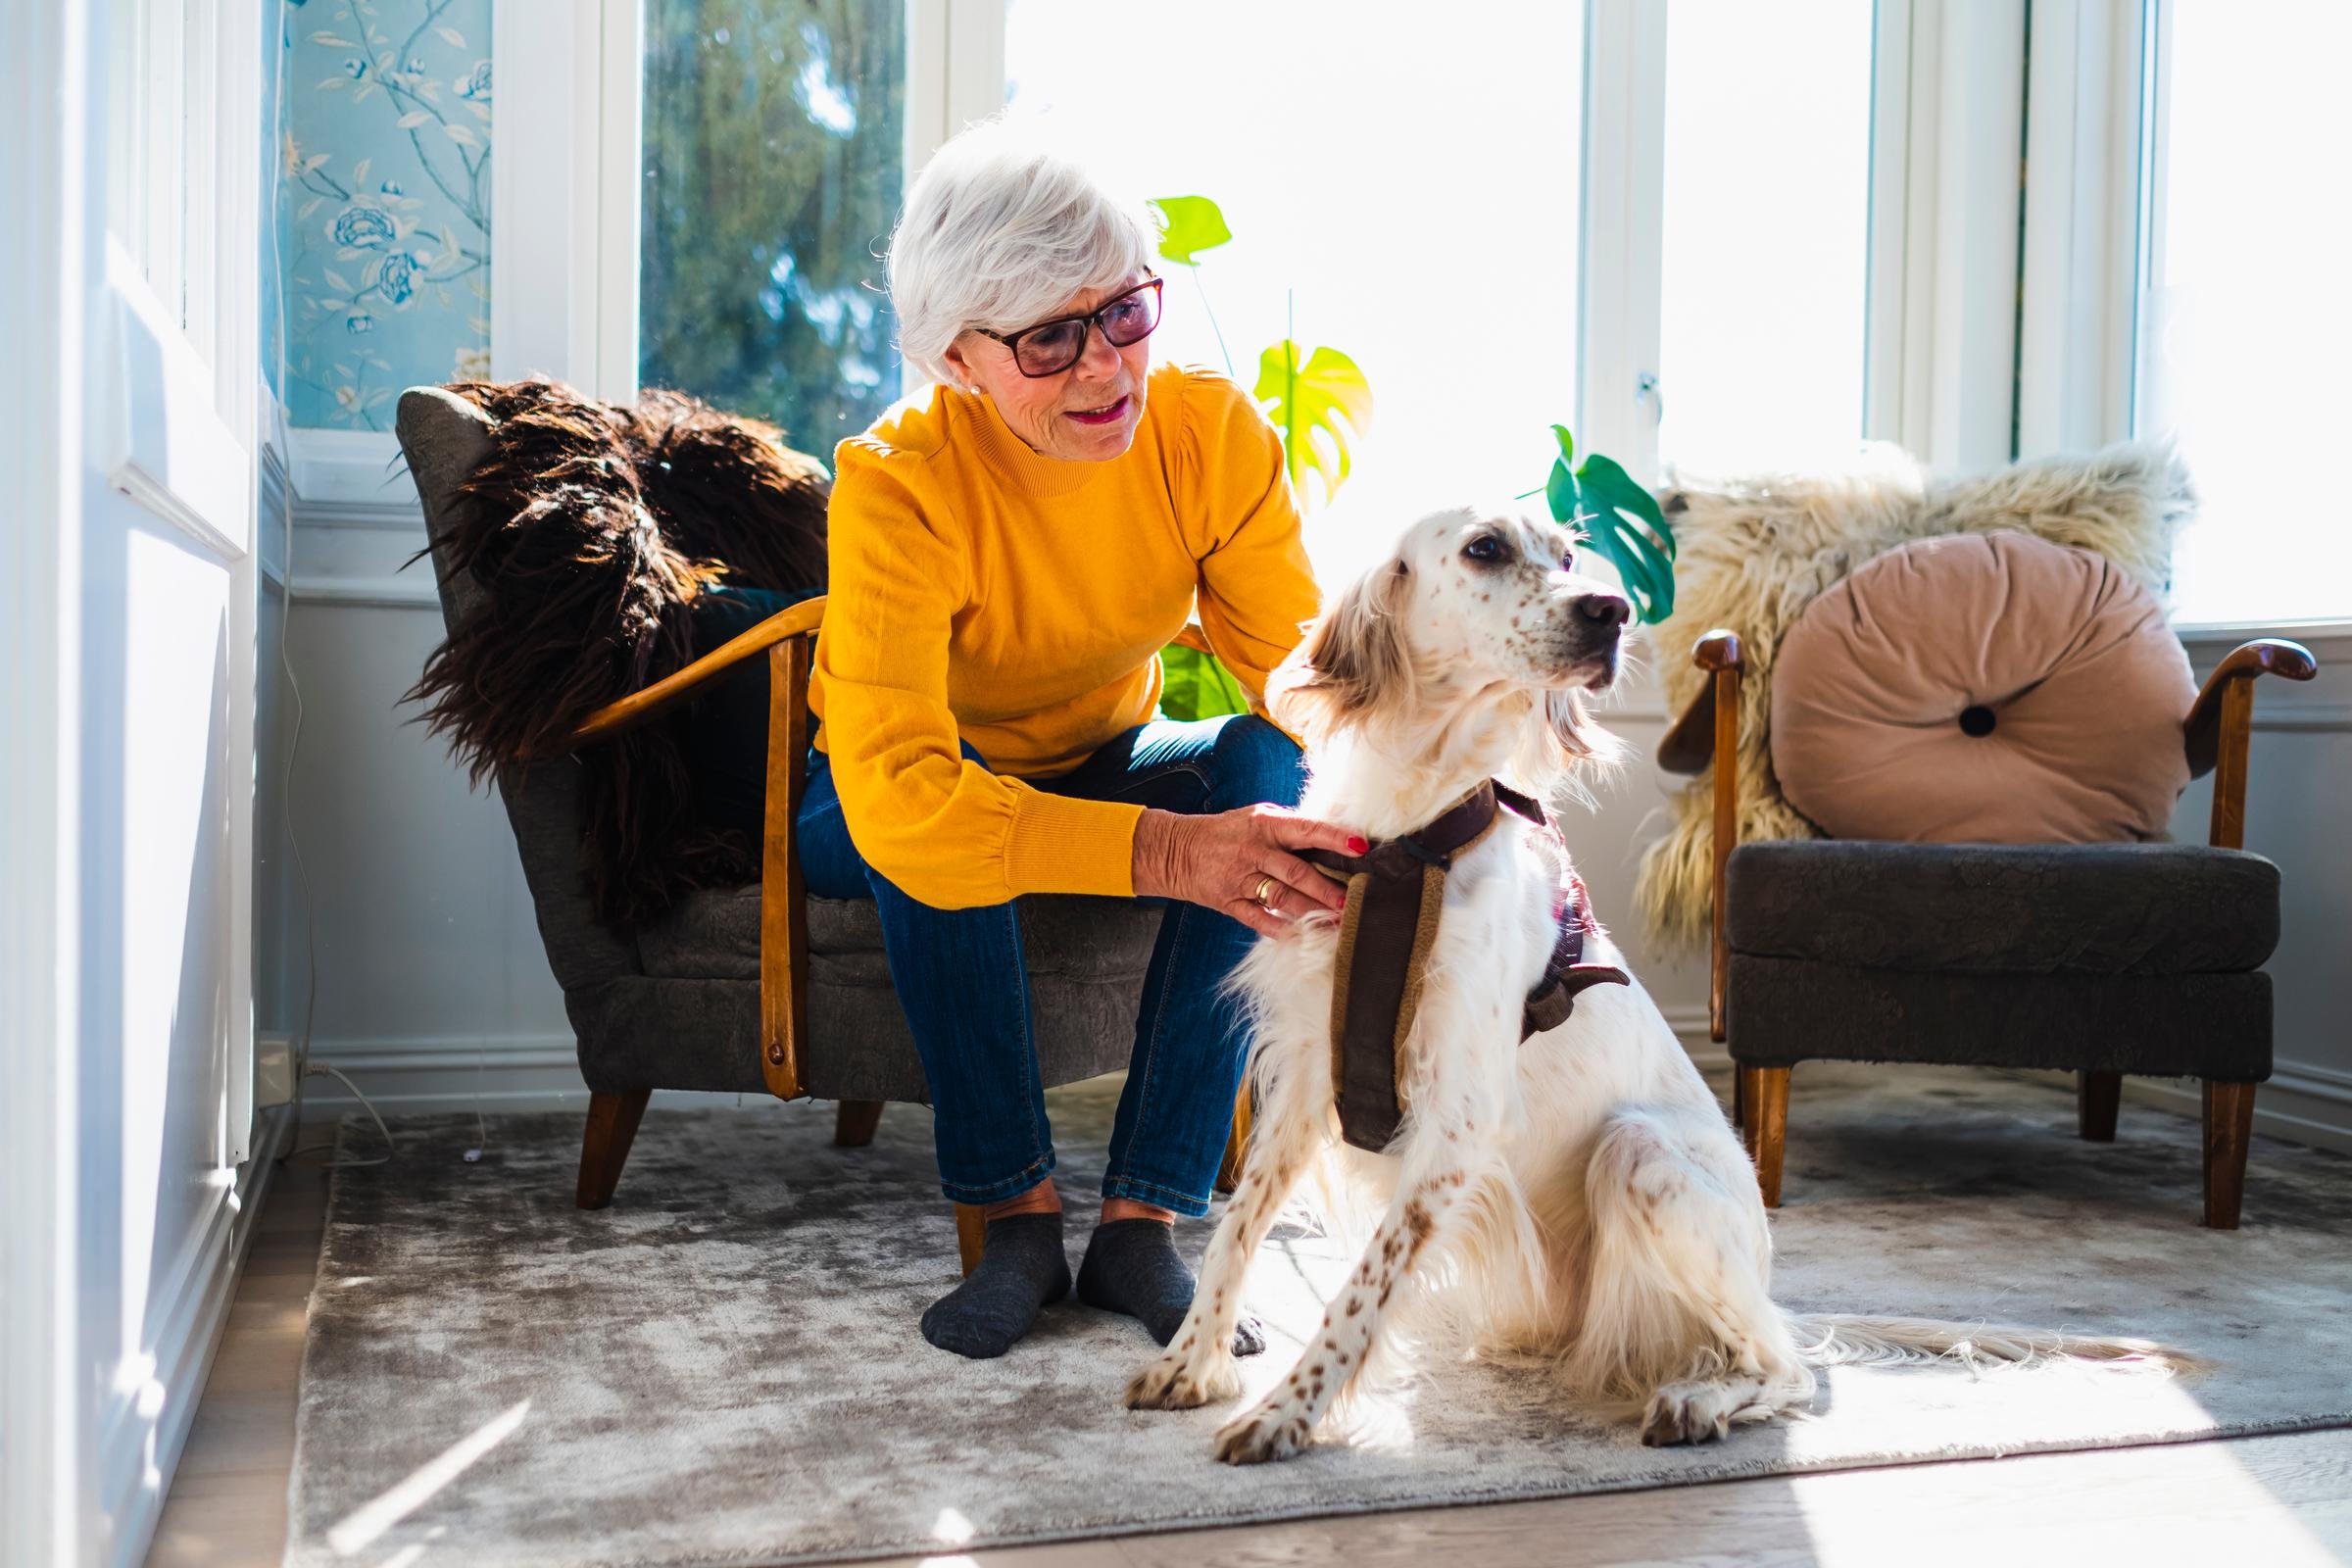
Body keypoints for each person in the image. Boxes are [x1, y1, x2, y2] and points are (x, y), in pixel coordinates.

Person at [702, 122, 1366, 1360]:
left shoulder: (1207, 435)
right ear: (957, 358)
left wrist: (1412, 790)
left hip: (1096, 752)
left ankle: (1141, 1223)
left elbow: (1296, 671)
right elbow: (900, 789)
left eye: (1121, 311)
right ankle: (1013, 1219)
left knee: (1265, 770)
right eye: (1048, 338)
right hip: (872, 787)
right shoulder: (899, 482)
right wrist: (1173, 854)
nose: (1105, 366)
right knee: (940, 834)